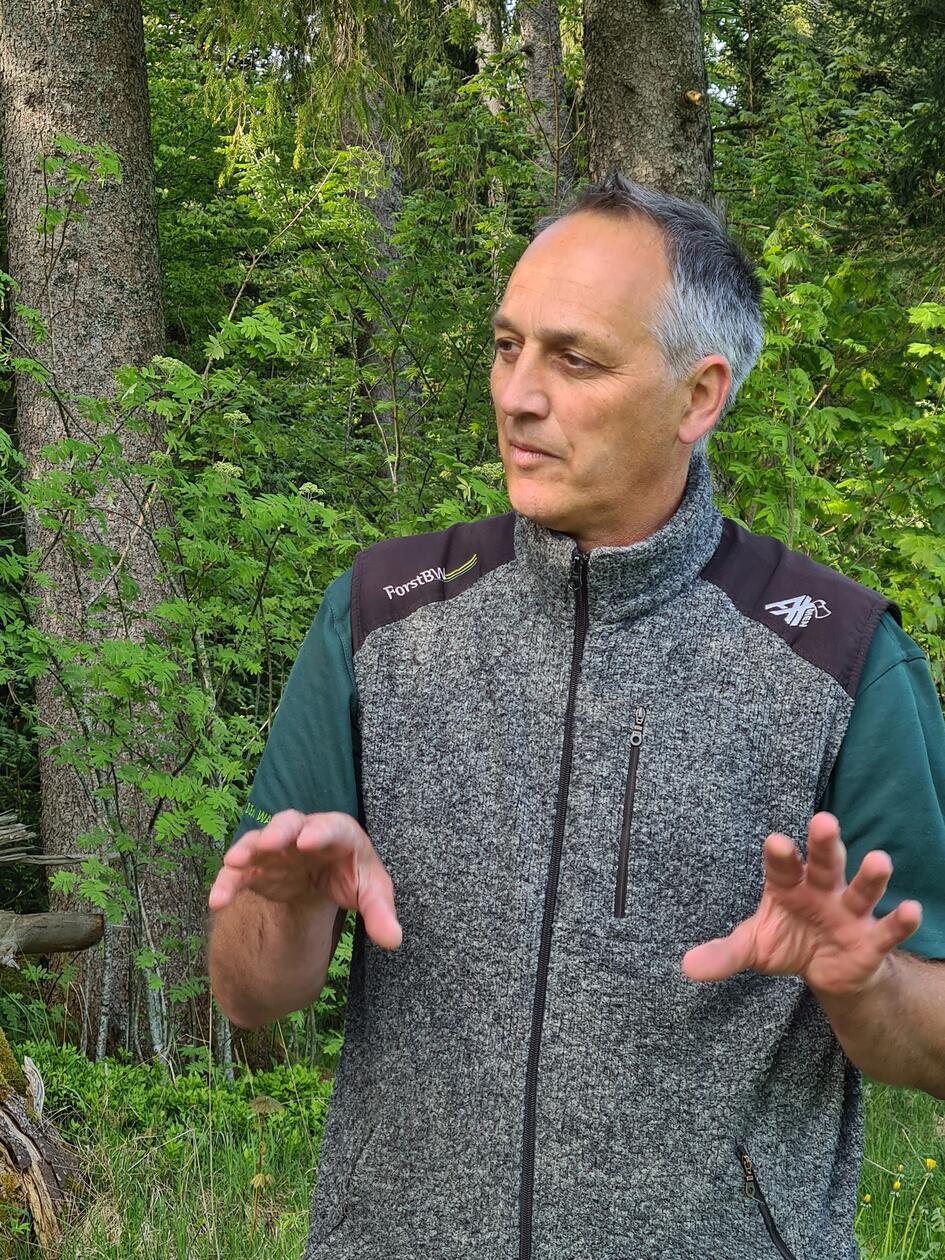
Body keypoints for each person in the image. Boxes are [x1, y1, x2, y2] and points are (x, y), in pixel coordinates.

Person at [208, 174, 945, 1260]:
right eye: (507, 347)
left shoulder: (839, 657)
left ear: (700, 397)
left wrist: (865, 983)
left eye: (575, 360)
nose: (517, 394)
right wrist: (282, 904)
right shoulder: (379, 616)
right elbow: (247, 995)